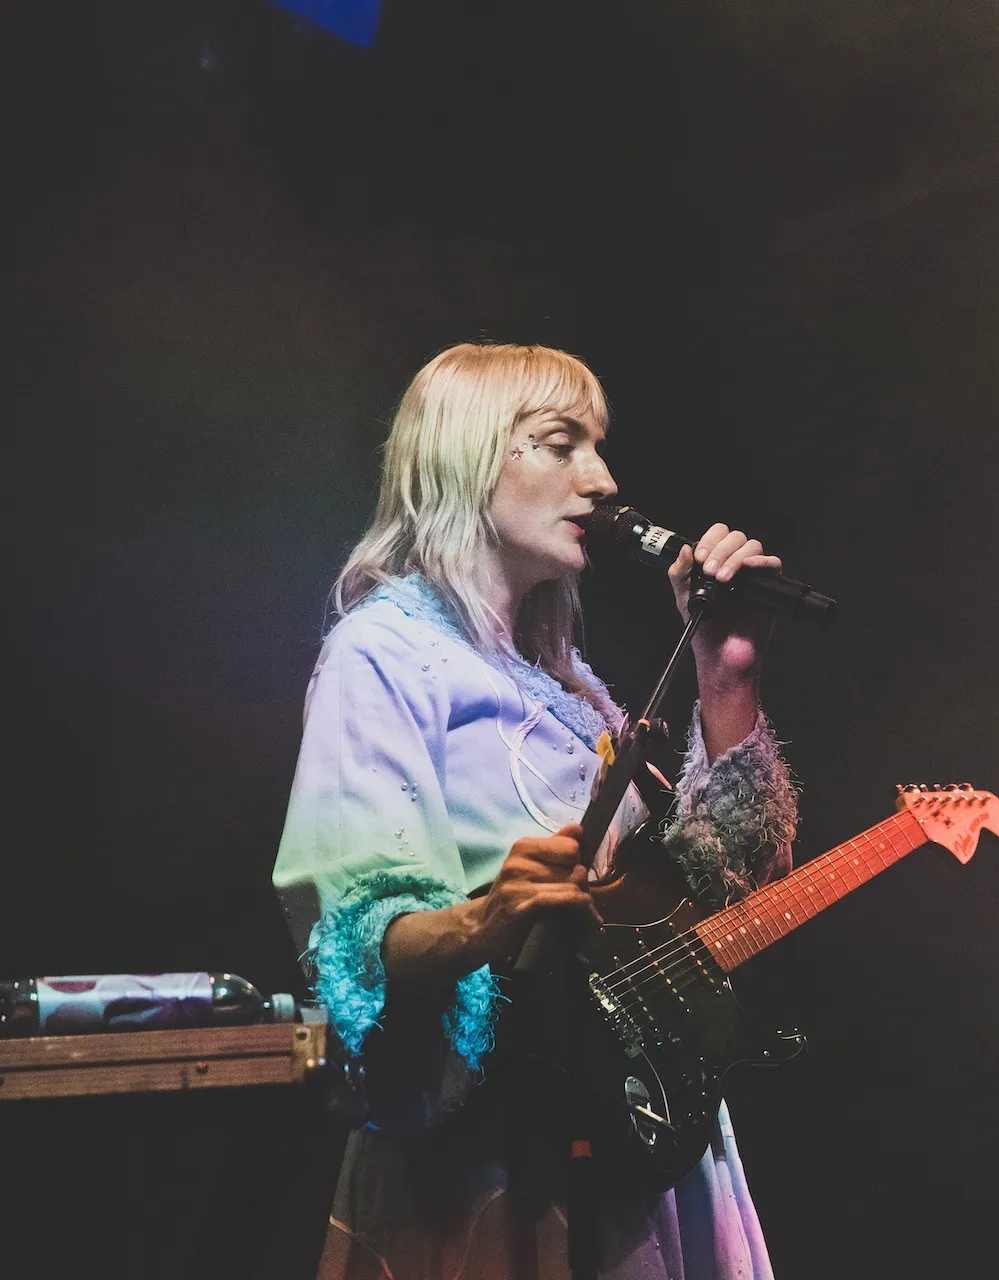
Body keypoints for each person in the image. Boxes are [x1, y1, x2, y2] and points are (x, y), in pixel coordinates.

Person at [272, 342, 798, 1280]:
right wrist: (487, 916)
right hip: (502, 1159)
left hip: (636, 1133)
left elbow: (715, 892)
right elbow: (353, 945)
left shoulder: (570, 688)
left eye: (598, 448)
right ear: (469, 456)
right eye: (562, 444)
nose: (601, 481)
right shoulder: (382, 653)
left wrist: (726, 671)